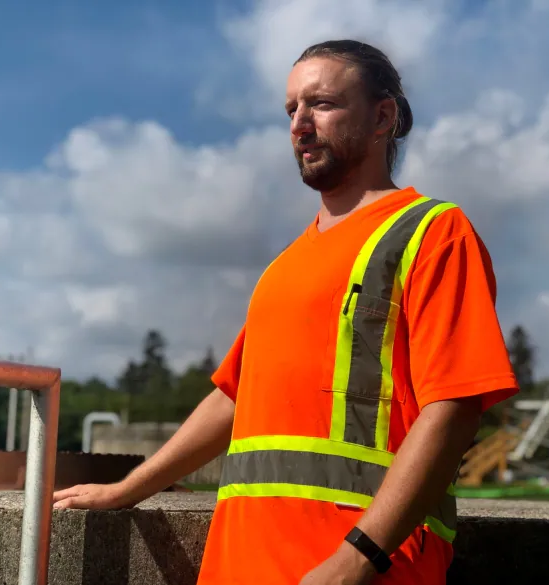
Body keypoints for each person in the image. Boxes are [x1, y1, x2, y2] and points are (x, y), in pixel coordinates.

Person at [52, 39, 519, 585]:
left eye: (321, 104)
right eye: (291, 108)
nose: (299, 124)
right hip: (240, 565)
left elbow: (454, 408)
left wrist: (357, 559)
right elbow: (234, 397)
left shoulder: (433, 232)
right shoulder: (286, 265)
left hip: (356, 572)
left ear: (382, 117)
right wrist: (128, 488)